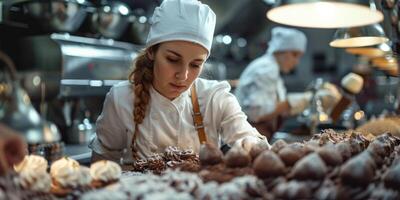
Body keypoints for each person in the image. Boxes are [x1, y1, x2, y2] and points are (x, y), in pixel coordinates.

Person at [90, 0, 269, 163]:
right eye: (173, 60)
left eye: (195, 64)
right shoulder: (122, 98)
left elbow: (247, 137)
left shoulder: (215, 97)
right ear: (152, 52)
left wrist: (249, 144)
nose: (183, 76)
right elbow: (103, 161)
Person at [235, 27, 340, 138]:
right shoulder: (266, 68)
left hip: (259, 136)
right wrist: (306, 99)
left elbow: (278, 109)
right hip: (248, 137)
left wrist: (308, 101)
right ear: (280, 50)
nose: (296, 62)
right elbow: (257, 113)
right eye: (294, 55)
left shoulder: (273, 70)